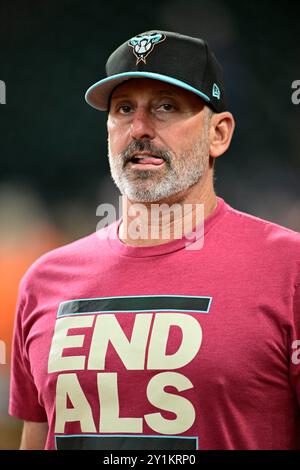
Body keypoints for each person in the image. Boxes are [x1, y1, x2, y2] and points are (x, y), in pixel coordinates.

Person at [9, 30, 300, 450]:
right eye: (124, 109)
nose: (140, 128)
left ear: (218, 133)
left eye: (166, 107)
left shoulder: (286, 269)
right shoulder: (45, 281)